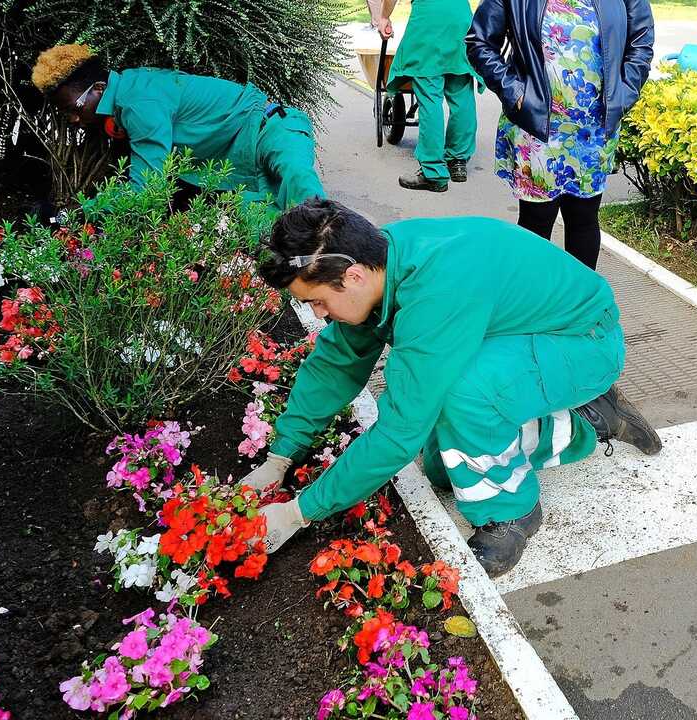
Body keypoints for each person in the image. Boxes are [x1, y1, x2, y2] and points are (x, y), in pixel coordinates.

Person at [248, 199, 662, 577]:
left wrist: (300, 512)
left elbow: (399, 432)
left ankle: (512, 511)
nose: (320, 314)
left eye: (318, 301)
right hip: (523, 335)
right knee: (444, 467)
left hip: (585, 343)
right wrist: (280, 457)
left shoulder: (435, 290)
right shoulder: (378, 261)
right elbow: (334, 365)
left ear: (352, 276)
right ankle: (590, 419)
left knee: (462, 396)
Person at [466, 0, 654, 269]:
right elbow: (480, 42)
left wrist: (624, 94)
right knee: (536, 221)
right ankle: (531, 295)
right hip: (536, 125)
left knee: (584, 217)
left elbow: (641, 42)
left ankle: (580, 295)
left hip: (594, 129)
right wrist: (514, 92)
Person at [30, 44, 325, 212]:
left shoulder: (137, 103)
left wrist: (78, 213)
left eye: (74, 107)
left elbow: (147, 189)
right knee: (273, 234)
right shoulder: (128, 92)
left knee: (308, 203)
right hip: (242, 166)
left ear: (98, 88)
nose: (73, 118)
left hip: (272, 132)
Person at [377, 0, 479, 192]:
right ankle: (457, 161)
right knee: (462, 96)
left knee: (430, 99)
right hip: (460, 20)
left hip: (428, 22)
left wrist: (383, 17)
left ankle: (433, 173)